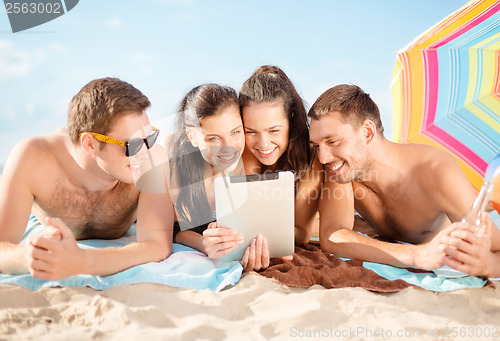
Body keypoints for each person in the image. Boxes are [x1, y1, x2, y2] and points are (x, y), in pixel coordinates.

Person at [308, 83, 500, 277]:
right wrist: (416, 255)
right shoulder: (343, 169)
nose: (323, 157)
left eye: (332, 142)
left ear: (367, 132)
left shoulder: (435, 172)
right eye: (317, 146)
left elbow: (497, 250)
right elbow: (333, 236)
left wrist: (488, 266)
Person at [0, 78, 174, 280]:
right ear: (90, 144)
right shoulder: (32, 158)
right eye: (133, 145)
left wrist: (81, 261)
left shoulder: (152, 159)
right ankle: (62, 134)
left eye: (149, 138)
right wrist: (29, 256)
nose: (145, 152)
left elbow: (158, 245)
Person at [202, 65, 324, 268]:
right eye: (251, 131)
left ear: (291, 121)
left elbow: (302, 230)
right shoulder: (245, 149)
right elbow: (242, 211)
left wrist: (265, 238)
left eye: (274, 130)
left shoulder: (312, 157)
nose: (264, 144)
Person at [167, 83, 271, 271]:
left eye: (235, 132)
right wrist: (204, 245)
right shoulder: (175, 160)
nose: (229, 147)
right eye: (214, 138)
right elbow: (174, 229)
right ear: (192, 137)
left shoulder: (250, 158)